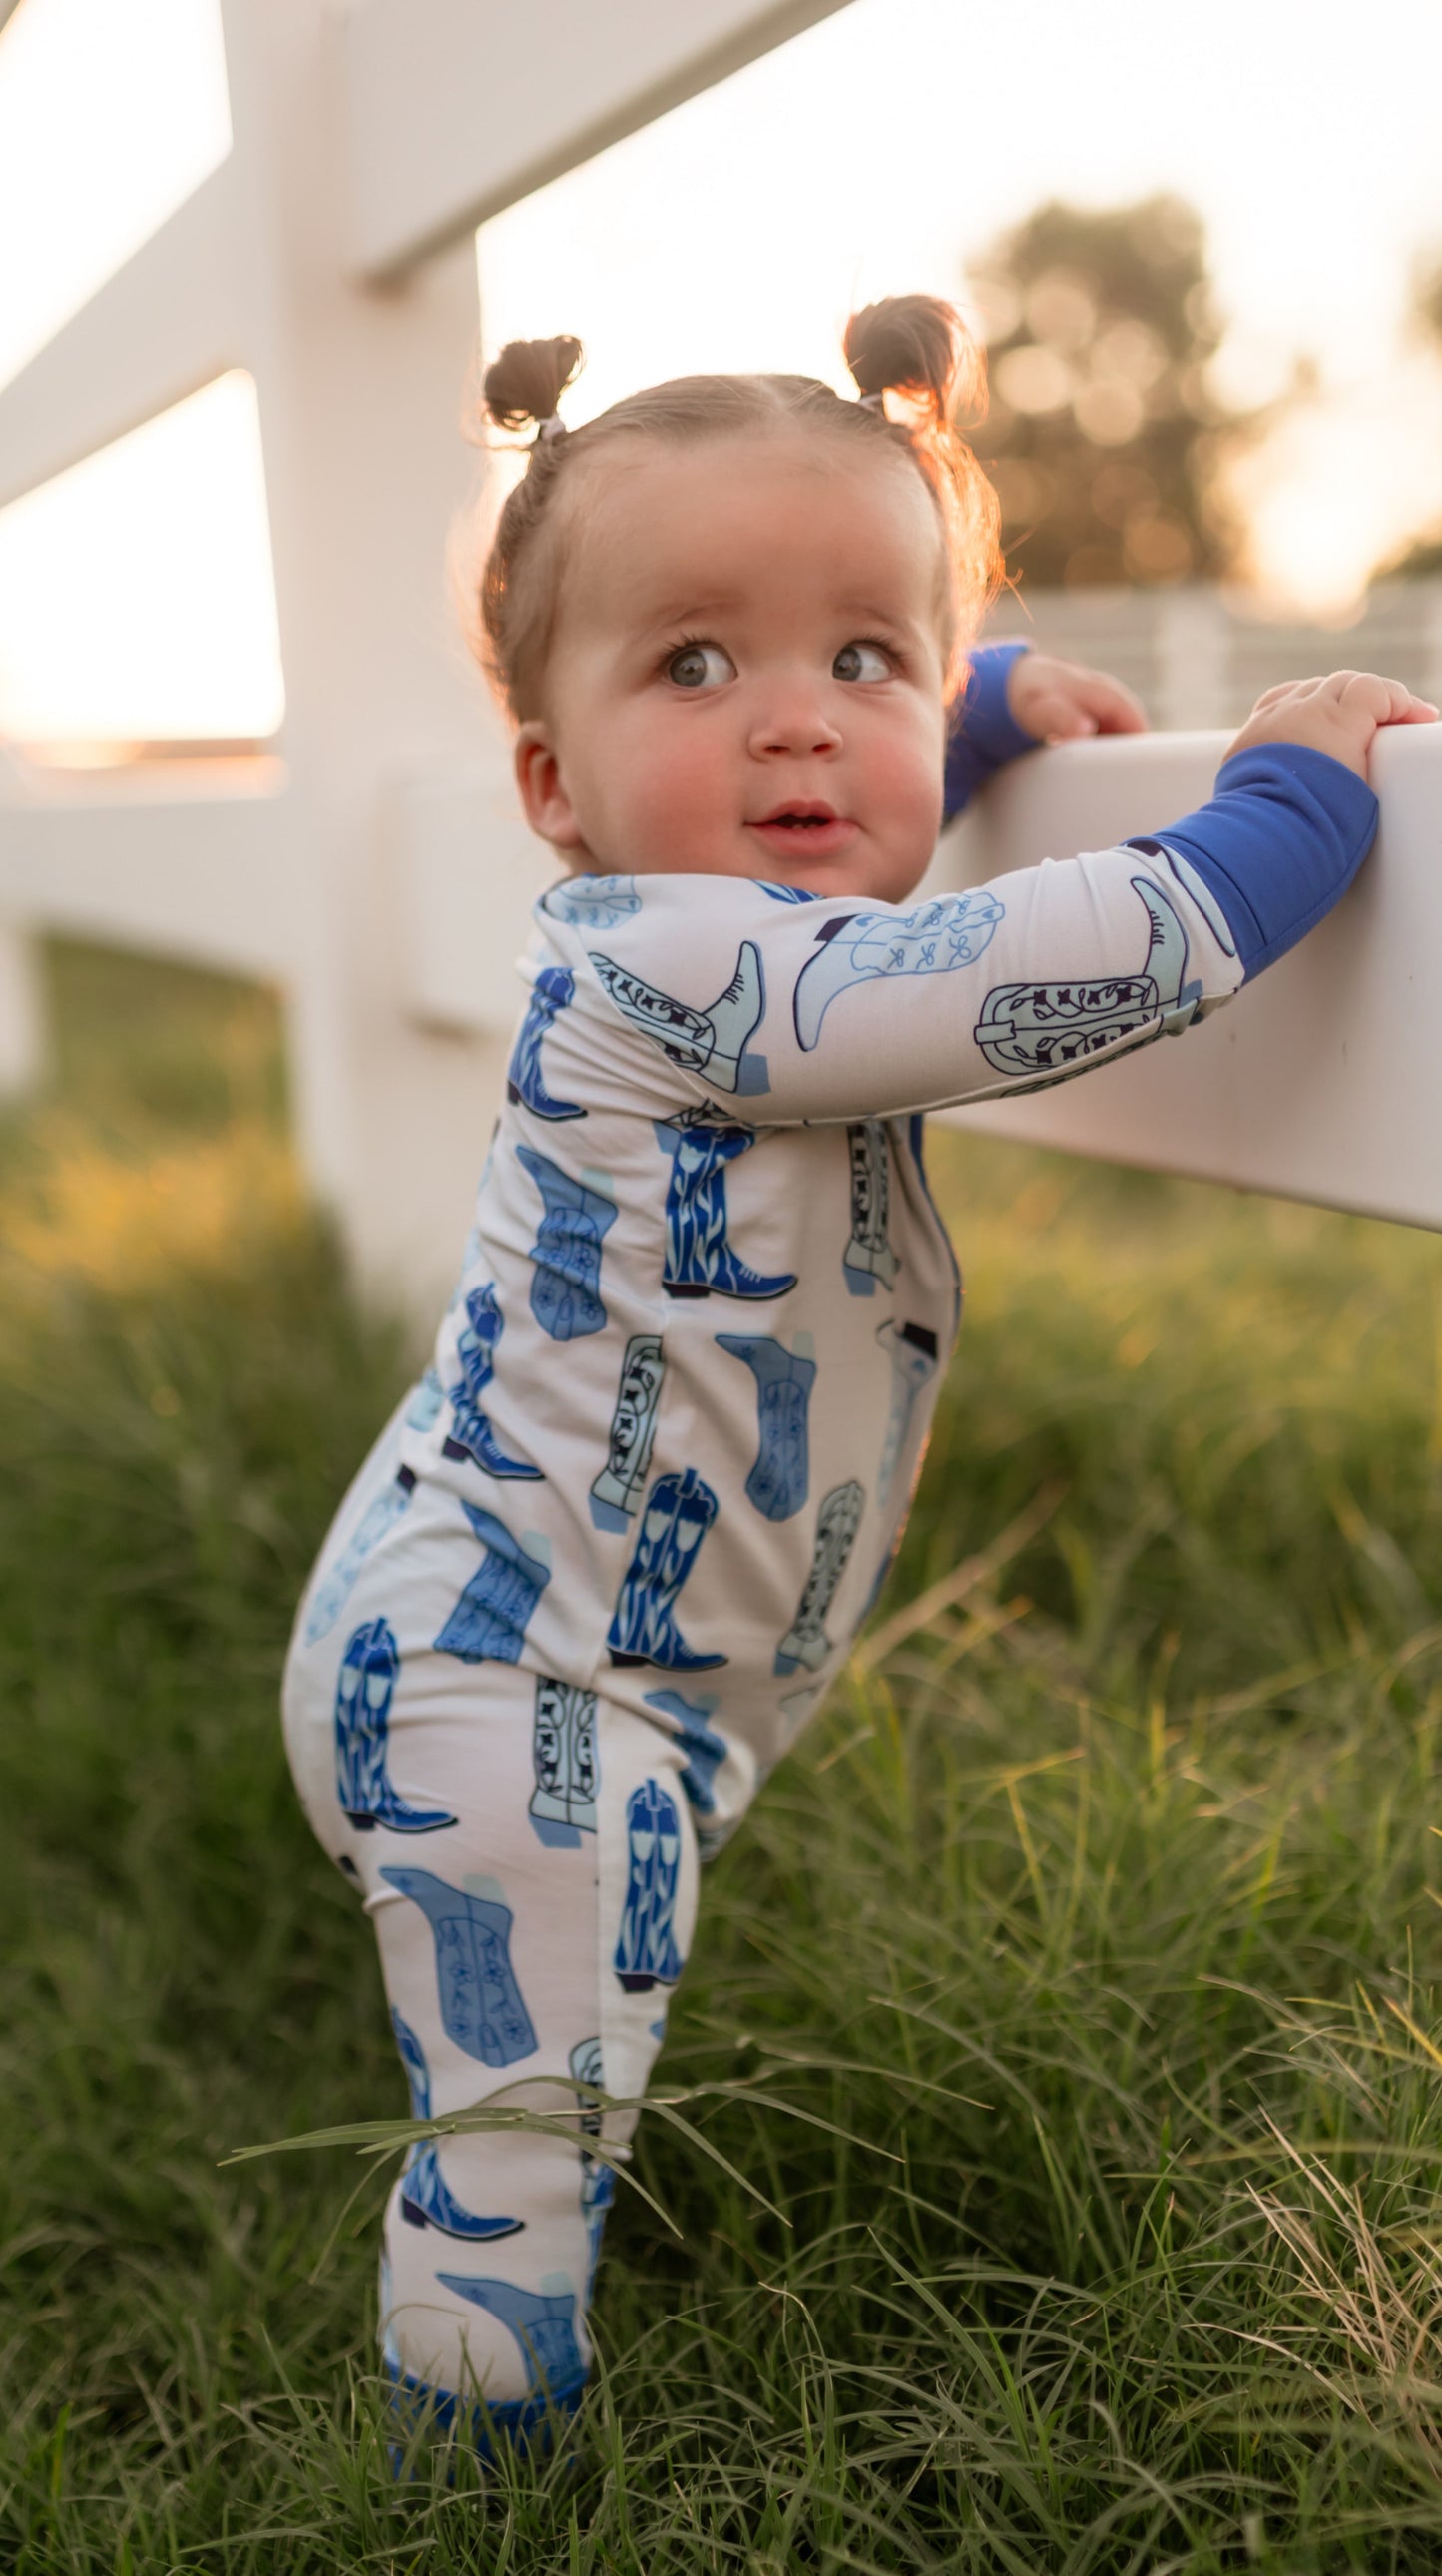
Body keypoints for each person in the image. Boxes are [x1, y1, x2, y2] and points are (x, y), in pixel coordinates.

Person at [281, 295, 1435, 2456]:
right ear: (552, 784)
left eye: (866, 654)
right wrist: (1286, 795)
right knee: (524, 2148)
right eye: (693, 663)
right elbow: (1019, 966)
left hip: (541, 1624)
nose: (796, 720)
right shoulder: (662, 958)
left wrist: (971, 713)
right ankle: (469, 2461)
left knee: (556, 2047)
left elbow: (845, 846)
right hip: (515, 1698)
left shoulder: (737, 905)